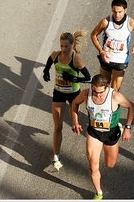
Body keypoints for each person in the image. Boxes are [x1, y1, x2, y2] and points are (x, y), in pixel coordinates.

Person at [70, 74, 134, 200]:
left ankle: (120, 128)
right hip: (94, 132)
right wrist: (75, 122)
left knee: (110, 164)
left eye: (101, 92)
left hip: (111, 132)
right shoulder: (86, 93)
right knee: (93, 167)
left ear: (107, 87)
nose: (98, 95)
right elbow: (74, 103)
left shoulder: (115, 96)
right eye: (95, 91)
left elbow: (131, 106)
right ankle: (98, 192)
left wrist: (128, 128)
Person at [42, 30, 91, 171]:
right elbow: (49, 62)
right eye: (61, 46)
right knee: (58, 126)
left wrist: (74, 79)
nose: (63, 49)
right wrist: (46, 71)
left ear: (72, 45)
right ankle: (56, 158)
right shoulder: (55, 55)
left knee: (74, 122)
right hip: (58, 92)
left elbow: (88, 77)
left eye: (66, 46)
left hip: (73, 94)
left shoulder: (76, 60)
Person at [91, 0, 134, 91]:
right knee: (103, 88)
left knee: (115, 91)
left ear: (125, 10)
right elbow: (93, 35)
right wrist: (101, 51)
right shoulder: (106, 22)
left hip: (121, 60)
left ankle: (114, 106)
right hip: (106, 58)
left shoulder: (131, 23)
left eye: (120, 12)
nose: (117, 15)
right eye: (114, 12)